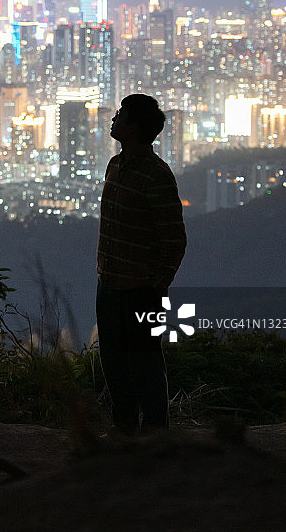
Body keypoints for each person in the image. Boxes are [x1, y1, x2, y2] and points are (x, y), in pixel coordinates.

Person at [96, 93, 187, 436]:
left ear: (133, 127)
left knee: (146, 364)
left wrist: (157, 284)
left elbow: (174, 237)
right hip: (108, 284)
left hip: (139, 290)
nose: (114, 118)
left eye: (121, 114)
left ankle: (154, 435)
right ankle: (124, 430)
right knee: (114, 364)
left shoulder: (156, 175)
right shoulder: (115, 166)